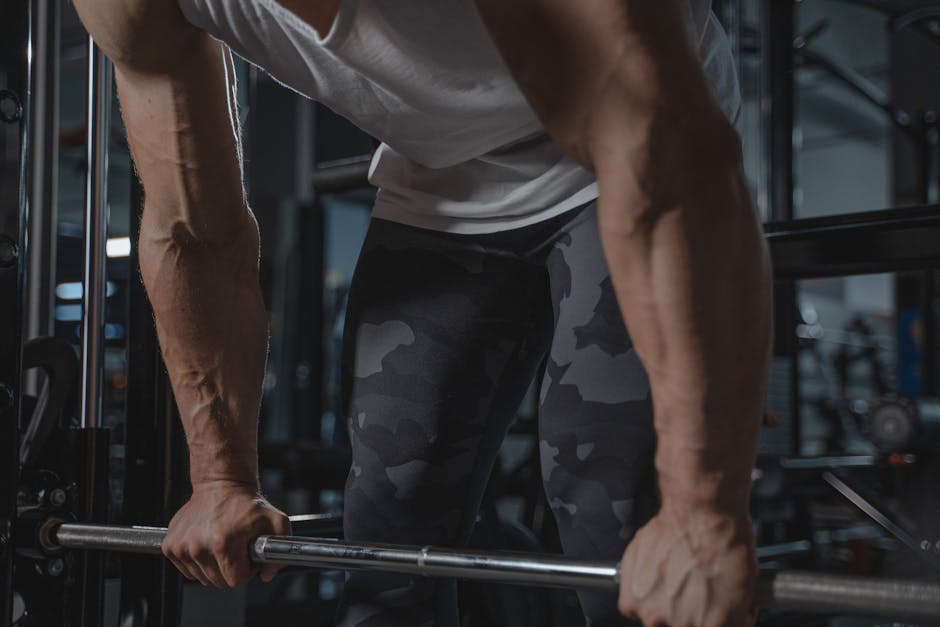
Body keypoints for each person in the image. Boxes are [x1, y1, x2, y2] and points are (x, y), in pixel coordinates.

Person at [73, 0, 772, 625]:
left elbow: (666, 150)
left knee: (615, 521)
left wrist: (704, 514)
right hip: (439, 179)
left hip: (628, 144)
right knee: (386, 539)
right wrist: (221, 481)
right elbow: (196, 234)